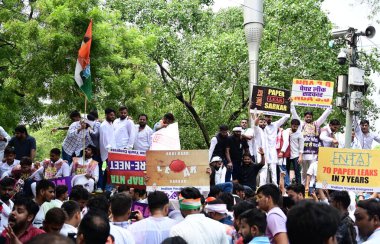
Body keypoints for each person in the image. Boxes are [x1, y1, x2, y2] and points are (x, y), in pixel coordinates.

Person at [291, 102, 332, 184]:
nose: (308, 118)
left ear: (312, 117)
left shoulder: (316, 124)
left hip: (313, 153)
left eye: (310, 117)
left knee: (313, 170)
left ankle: (312, 187)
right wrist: (292, 104)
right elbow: (294, 114)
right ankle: (303, 186)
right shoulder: (301, 124)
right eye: (307, 117)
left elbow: (324, 116)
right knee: (304, 171)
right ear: (304, 117)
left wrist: (330, 106)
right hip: (303, 152)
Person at [253, 113, 289, 187]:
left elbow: (285, 117)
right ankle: (261, 188)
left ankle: (275, 187)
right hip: (261, 152)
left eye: (264, 122)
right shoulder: (257, 129)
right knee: (263, 169)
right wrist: (258, 117)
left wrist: (289, 104)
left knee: (273, 170)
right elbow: (255, 124)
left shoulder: (274, 125)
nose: (263, 123)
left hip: (272, 151)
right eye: (261, 122)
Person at [282, 119, 303, 184]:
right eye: (294, 126)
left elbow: (301, 147)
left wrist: (300, 157)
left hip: (296, 155)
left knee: (297, 171)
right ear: (291, 125)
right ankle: (287, 185)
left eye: (297, 126)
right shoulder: (287, 131)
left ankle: (298, 185)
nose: (295, 128)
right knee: (286, 170)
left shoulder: (300, 134)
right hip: (287, 154)